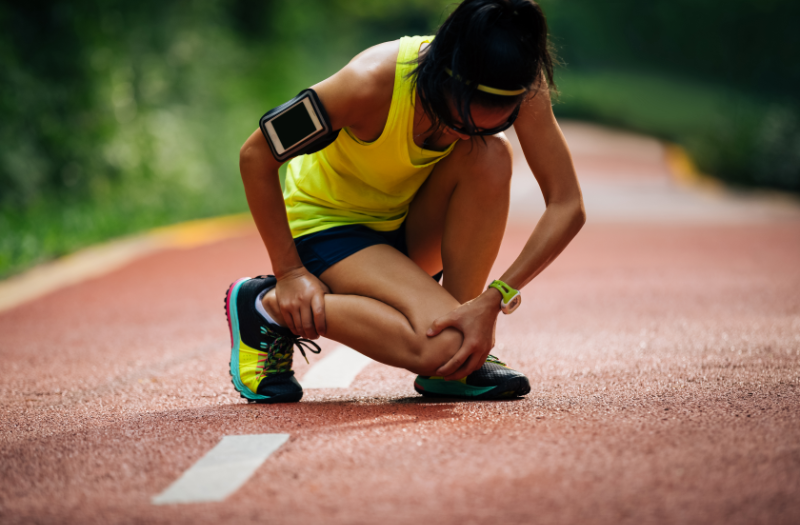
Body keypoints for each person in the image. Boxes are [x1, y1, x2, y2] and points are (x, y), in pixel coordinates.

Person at [227, 0, 585, 403]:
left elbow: (567, 204)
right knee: (445, 347)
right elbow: (255, 155)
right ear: (442, 74)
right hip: (327, 226)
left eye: (497, 121)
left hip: (403, 225)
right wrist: (290, 271)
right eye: (457, 121)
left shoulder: (515, 78)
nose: (464, 135)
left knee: (491, 153)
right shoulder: (367, 82)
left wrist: (491, 300)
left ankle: (457, 351)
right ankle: (267, 306)